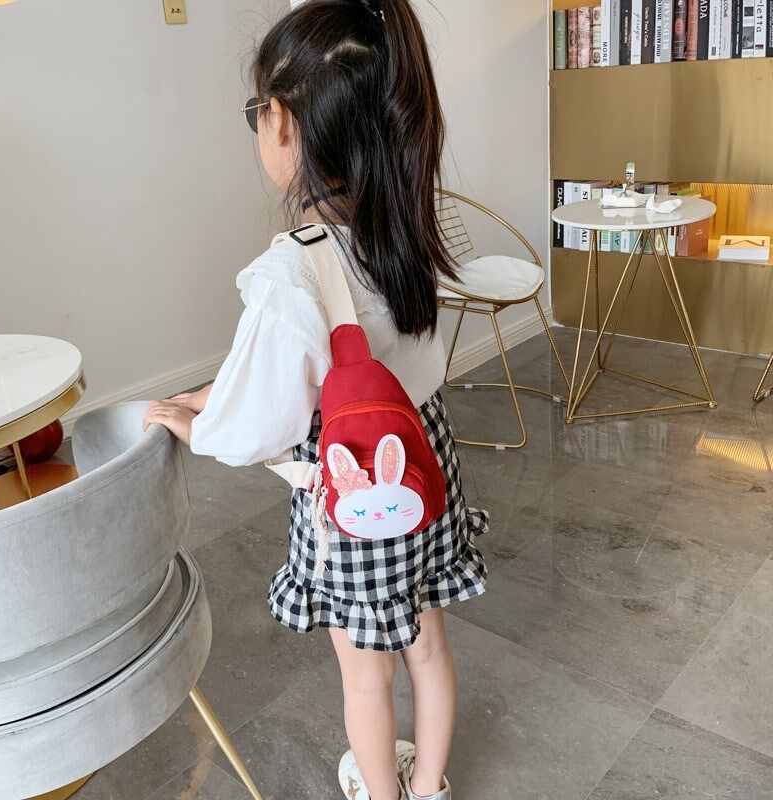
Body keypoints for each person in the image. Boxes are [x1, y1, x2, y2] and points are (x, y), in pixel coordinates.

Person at [143, 2, 487, 798]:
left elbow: (261, 421)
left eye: (255, 112)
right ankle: (428, 786)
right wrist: (218, 390)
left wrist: (198, 425)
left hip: (354, 488)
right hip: (423, 466)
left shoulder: (290, 270)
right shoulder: (404, 227)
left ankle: (382, 791)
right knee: (429, 646)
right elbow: (366, 358)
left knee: (366, 675)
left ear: (284, 122)